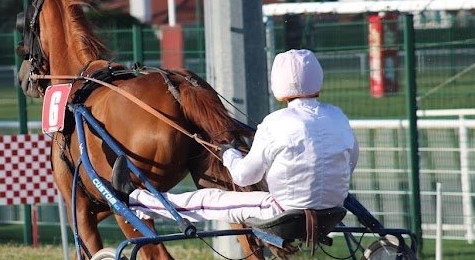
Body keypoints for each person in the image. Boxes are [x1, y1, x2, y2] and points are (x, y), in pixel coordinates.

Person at [112, 49, 359, 224]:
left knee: (206, 200)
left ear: (278, 86)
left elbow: (243, 176)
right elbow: (351, 162)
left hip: (284, 212)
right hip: (334, 210)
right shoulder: (339, 116)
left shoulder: (275, 123)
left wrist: (228, 153)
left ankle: (134, 201)